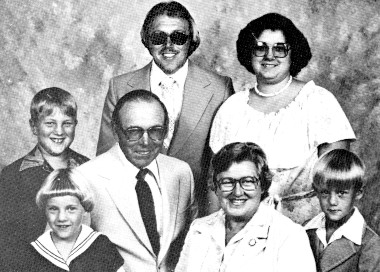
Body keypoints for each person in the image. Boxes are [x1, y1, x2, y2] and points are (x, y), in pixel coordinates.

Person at [209, 13, 355, 223]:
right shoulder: (231, 108)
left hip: (307, 230)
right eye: (261, 47)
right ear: (249, 53)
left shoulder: (318, 101)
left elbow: (337, 184)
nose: (269, 55)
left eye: (279, 48)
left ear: (292, 53)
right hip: (241, 231)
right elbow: (214, 188)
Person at [97, 1, 234, 214]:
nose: (168, 46)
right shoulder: (120, 87)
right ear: (146, 40)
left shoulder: (219, 88)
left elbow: (227, 165)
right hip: (136, 213)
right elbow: (106, 160)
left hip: (197, 215)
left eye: (178, 37)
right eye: (159, 38)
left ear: (192, 40)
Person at [77, 89, 197, 272]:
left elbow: (192, 245)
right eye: (134, 132)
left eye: (156, 131)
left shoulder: (181, 173)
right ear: (116, 130)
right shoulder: (84, 178)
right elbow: (71, 255)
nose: (146, 142)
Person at [175, 142, 316, 272]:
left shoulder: (289, 236)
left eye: (248, 181)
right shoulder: (199, 229)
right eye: (227, 182)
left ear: (262, 185)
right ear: (216, 187)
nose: (237, 192)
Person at [0, 87, 89, 269]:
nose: (59, 131)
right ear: (34, 126)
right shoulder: (12, 176)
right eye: (49, 123)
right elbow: (8, 244)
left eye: (67, 123)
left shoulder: (88, 169)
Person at [17, 169, 124, 271]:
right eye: (53, 209)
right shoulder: (33, 252)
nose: (61, 218)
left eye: (71, 209)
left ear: (85, 209)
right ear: (45, 210)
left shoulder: (101, 245)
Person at [304, 149, 380, 272]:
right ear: (315, 191)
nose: (332, 201)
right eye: (325, 192)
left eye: (341, 193)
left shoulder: (370, 244)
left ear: (358, 193)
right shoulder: (305, 231)